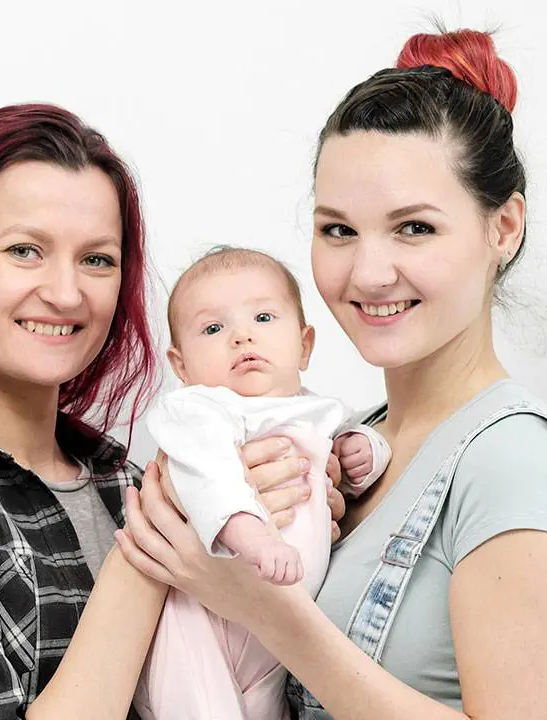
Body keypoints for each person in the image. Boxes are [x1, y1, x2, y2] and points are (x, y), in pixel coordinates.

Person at [116, 28, 547, 720]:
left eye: (414, 228)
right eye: (339, 230)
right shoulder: (356, 443)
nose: (369, 273)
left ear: (503, 228)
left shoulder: (511, 462)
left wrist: (265, 610)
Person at [0, 104, 342, 720]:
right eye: (25, 250)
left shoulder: (126, 478)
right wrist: (160, 541)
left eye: (97, 259)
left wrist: (308, 510)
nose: (65, 293)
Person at [133, 247, 391, 720]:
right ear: (182, 365)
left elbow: (338, 481)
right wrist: (250, 536)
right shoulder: (199, 411)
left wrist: (364, 453)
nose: (242, 336)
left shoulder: (320, 412)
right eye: (213, 329)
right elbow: (210, 474)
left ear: (304, 345)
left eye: (264, 317)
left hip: (275, 634)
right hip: (203, 619)